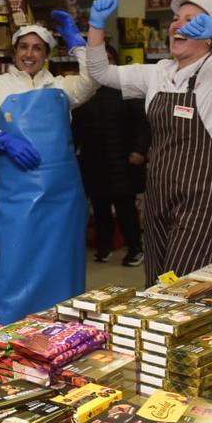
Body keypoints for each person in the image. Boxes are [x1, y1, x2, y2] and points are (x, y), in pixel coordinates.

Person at [86, 0, 212, 285]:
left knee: (182, 289)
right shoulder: (157, 72)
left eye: (191, 20)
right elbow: (100, 72)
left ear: (210, 35)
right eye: (176, 19)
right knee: (157, 287)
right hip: (158, 196)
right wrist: (96, 26)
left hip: (202, 199)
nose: (178, 25)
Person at [0, 13, 98, 328]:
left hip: (62, 200)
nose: (29, 54)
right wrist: (0, 143)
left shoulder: (62, 87)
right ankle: (5, 332)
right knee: (12, 265)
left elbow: (93, 79)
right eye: (23, 47)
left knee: (61, 267)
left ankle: (61, 332)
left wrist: (78, 43)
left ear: (47, 55)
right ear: (14, 52)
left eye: (37, 48)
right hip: (16, 201)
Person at [72, 44, 149, 267]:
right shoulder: (84, 90)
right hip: (94, 160)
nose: (104, 63)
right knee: (100, 207)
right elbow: (75, 127)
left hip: (123, 160)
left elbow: (143, 123)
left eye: (108, 58)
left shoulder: (127, 88)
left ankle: (135, 248)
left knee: (125, 208)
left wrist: (140, 150)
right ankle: (103, 247)